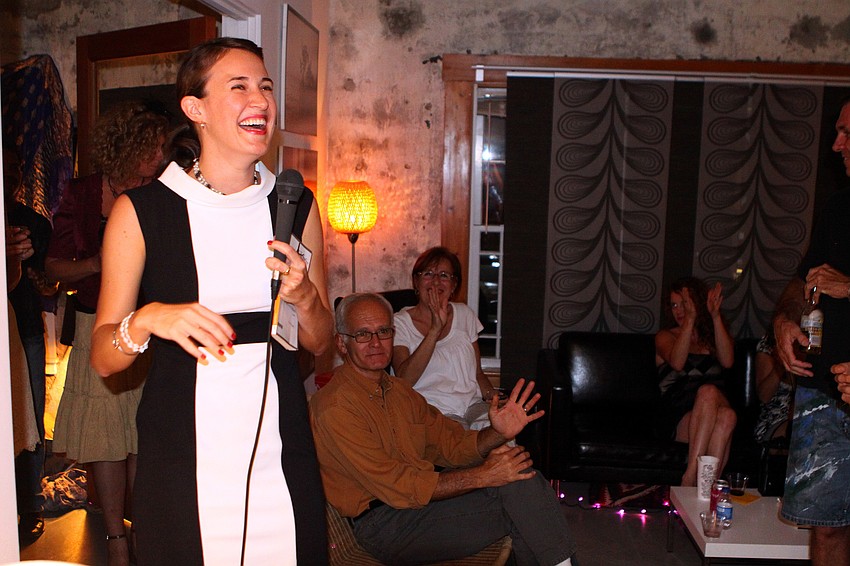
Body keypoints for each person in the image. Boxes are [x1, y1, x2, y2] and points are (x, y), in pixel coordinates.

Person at [88, 38, 334, 565]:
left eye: (265, 87)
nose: (261, 100)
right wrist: (150, 318)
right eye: (239, 86)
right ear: (194, 108)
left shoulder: (295, 204)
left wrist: (306, 295)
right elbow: (105, 358)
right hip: (183, 457)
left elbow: (321, 341)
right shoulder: (142, 212)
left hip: (279, 453)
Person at [310, 293, 577, 565]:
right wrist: (482, 476)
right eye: (363, 335)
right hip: (385, 525)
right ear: (342, 343)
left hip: (421, 507)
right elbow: (398, 485)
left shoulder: (400, 391)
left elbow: (449, 443)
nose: (376, 342)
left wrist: (498, 433)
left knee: (521, 480)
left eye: (384, 331)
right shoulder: (335, 407)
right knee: (521, 499)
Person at [44, 100, 169, 565]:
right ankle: (116, 539)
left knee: (141, 434)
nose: (161, 155)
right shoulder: (79, 195)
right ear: (129, 146)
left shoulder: (161, 191)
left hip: (149, 326)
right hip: (96, 324)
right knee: (106, 439)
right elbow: (53, 265)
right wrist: (104, 261)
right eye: (153, 146)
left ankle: (141, 529)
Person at [772, 97, 850, 566]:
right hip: (823, 392)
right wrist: (783, 320)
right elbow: (801, 285)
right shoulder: (839, 205)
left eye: (846, 132)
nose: (836, 144)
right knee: (826, 530)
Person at [392, 247, 499, 429]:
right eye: (428, 274)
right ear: (416, 282)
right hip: (431, 412)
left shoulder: (465, 314)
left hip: (472, 405)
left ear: (453, 285)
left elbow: (478, 374)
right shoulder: (399, 323)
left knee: (501, 433)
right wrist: (435, 329)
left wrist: (494, 398)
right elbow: (404, 381)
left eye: (443, 275)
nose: (435, 281)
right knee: (463, 447)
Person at [655, 276, 736, 487]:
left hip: (714, 410)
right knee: (714, 400)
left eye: (685, 304)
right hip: (682, 417)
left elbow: (728, 362)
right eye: (674, 305)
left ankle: (704, 489)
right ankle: (692, 477)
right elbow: (678, 362)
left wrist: (715, 316)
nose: (679, 310)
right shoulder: (665, 336)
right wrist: (689, 322)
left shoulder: (709, 337)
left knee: (725, 413)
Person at [752, 330, 794, 444]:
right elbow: (764, 396)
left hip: (813, 415)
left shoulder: (816, 343)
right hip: (775, 420)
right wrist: (781, 364)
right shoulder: (771, 341)